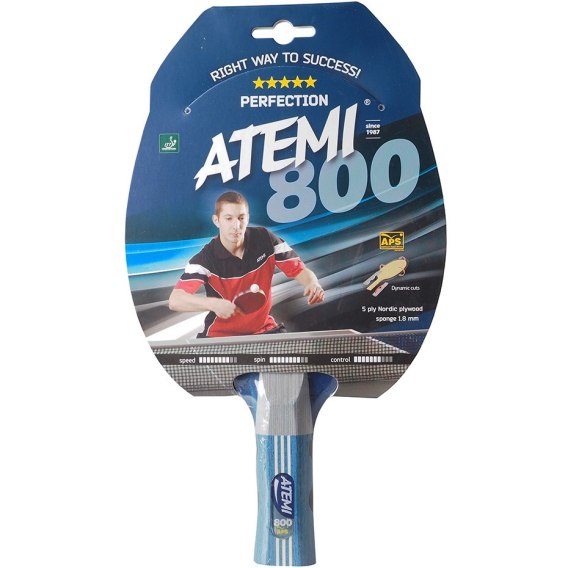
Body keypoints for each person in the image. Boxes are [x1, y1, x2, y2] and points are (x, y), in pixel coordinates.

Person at [169, 191, 325, 337]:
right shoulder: (205, 259)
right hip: (220, 337)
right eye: (228, 218)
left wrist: (312, 283)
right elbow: (175, 300)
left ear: (248, 218)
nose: (236, 226)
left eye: (241, 218)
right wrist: (213, 304)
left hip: (264, 331)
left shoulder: (266, 239)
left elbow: (299, 270)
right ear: (217, 221)